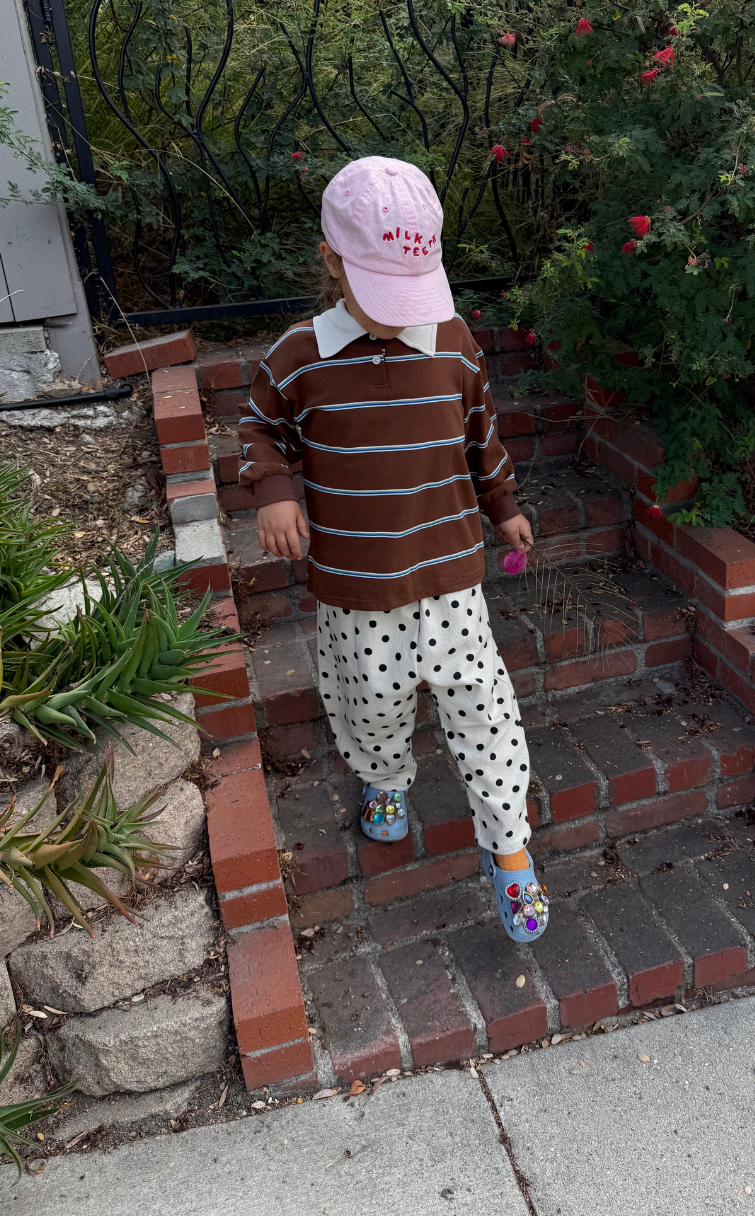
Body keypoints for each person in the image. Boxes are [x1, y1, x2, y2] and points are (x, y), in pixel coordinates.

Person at [236, 156, 550, 942]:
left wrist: (502, 504)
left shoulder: (451, 342)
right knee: (370, 700)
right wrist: (274, 491)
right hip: (354, 584)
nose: (396, 316)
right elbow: (260, 433)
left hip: (449, 576)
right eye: (380, 294)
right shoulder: (298, 358)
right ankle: (383, 778)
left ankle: (508, 847)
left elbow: (480, 432)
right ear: (332, 261)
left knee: (482, 707)